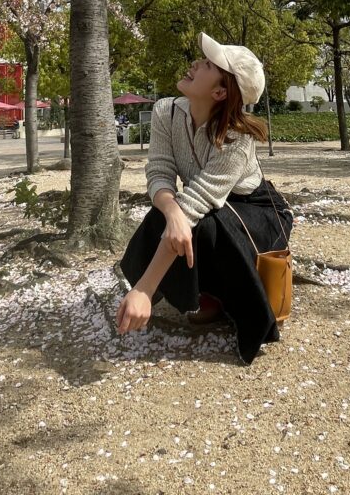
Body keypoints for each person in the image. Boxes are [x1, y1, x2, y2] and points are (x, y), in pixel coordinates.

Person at [117, 32, 293, 365]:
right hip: (212, 208)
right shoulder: (166, 112)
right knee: (162, 218)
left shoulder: (237, 139)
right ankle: (203, 294)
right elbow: (159, 174)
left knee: (206, 224)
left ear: (220, 91)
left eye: (209, 63)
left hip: (257, 214)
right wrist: (170, 210)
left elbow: (199, 201)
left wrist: (145, 286)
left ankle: (232, 305)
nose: (196, 62)